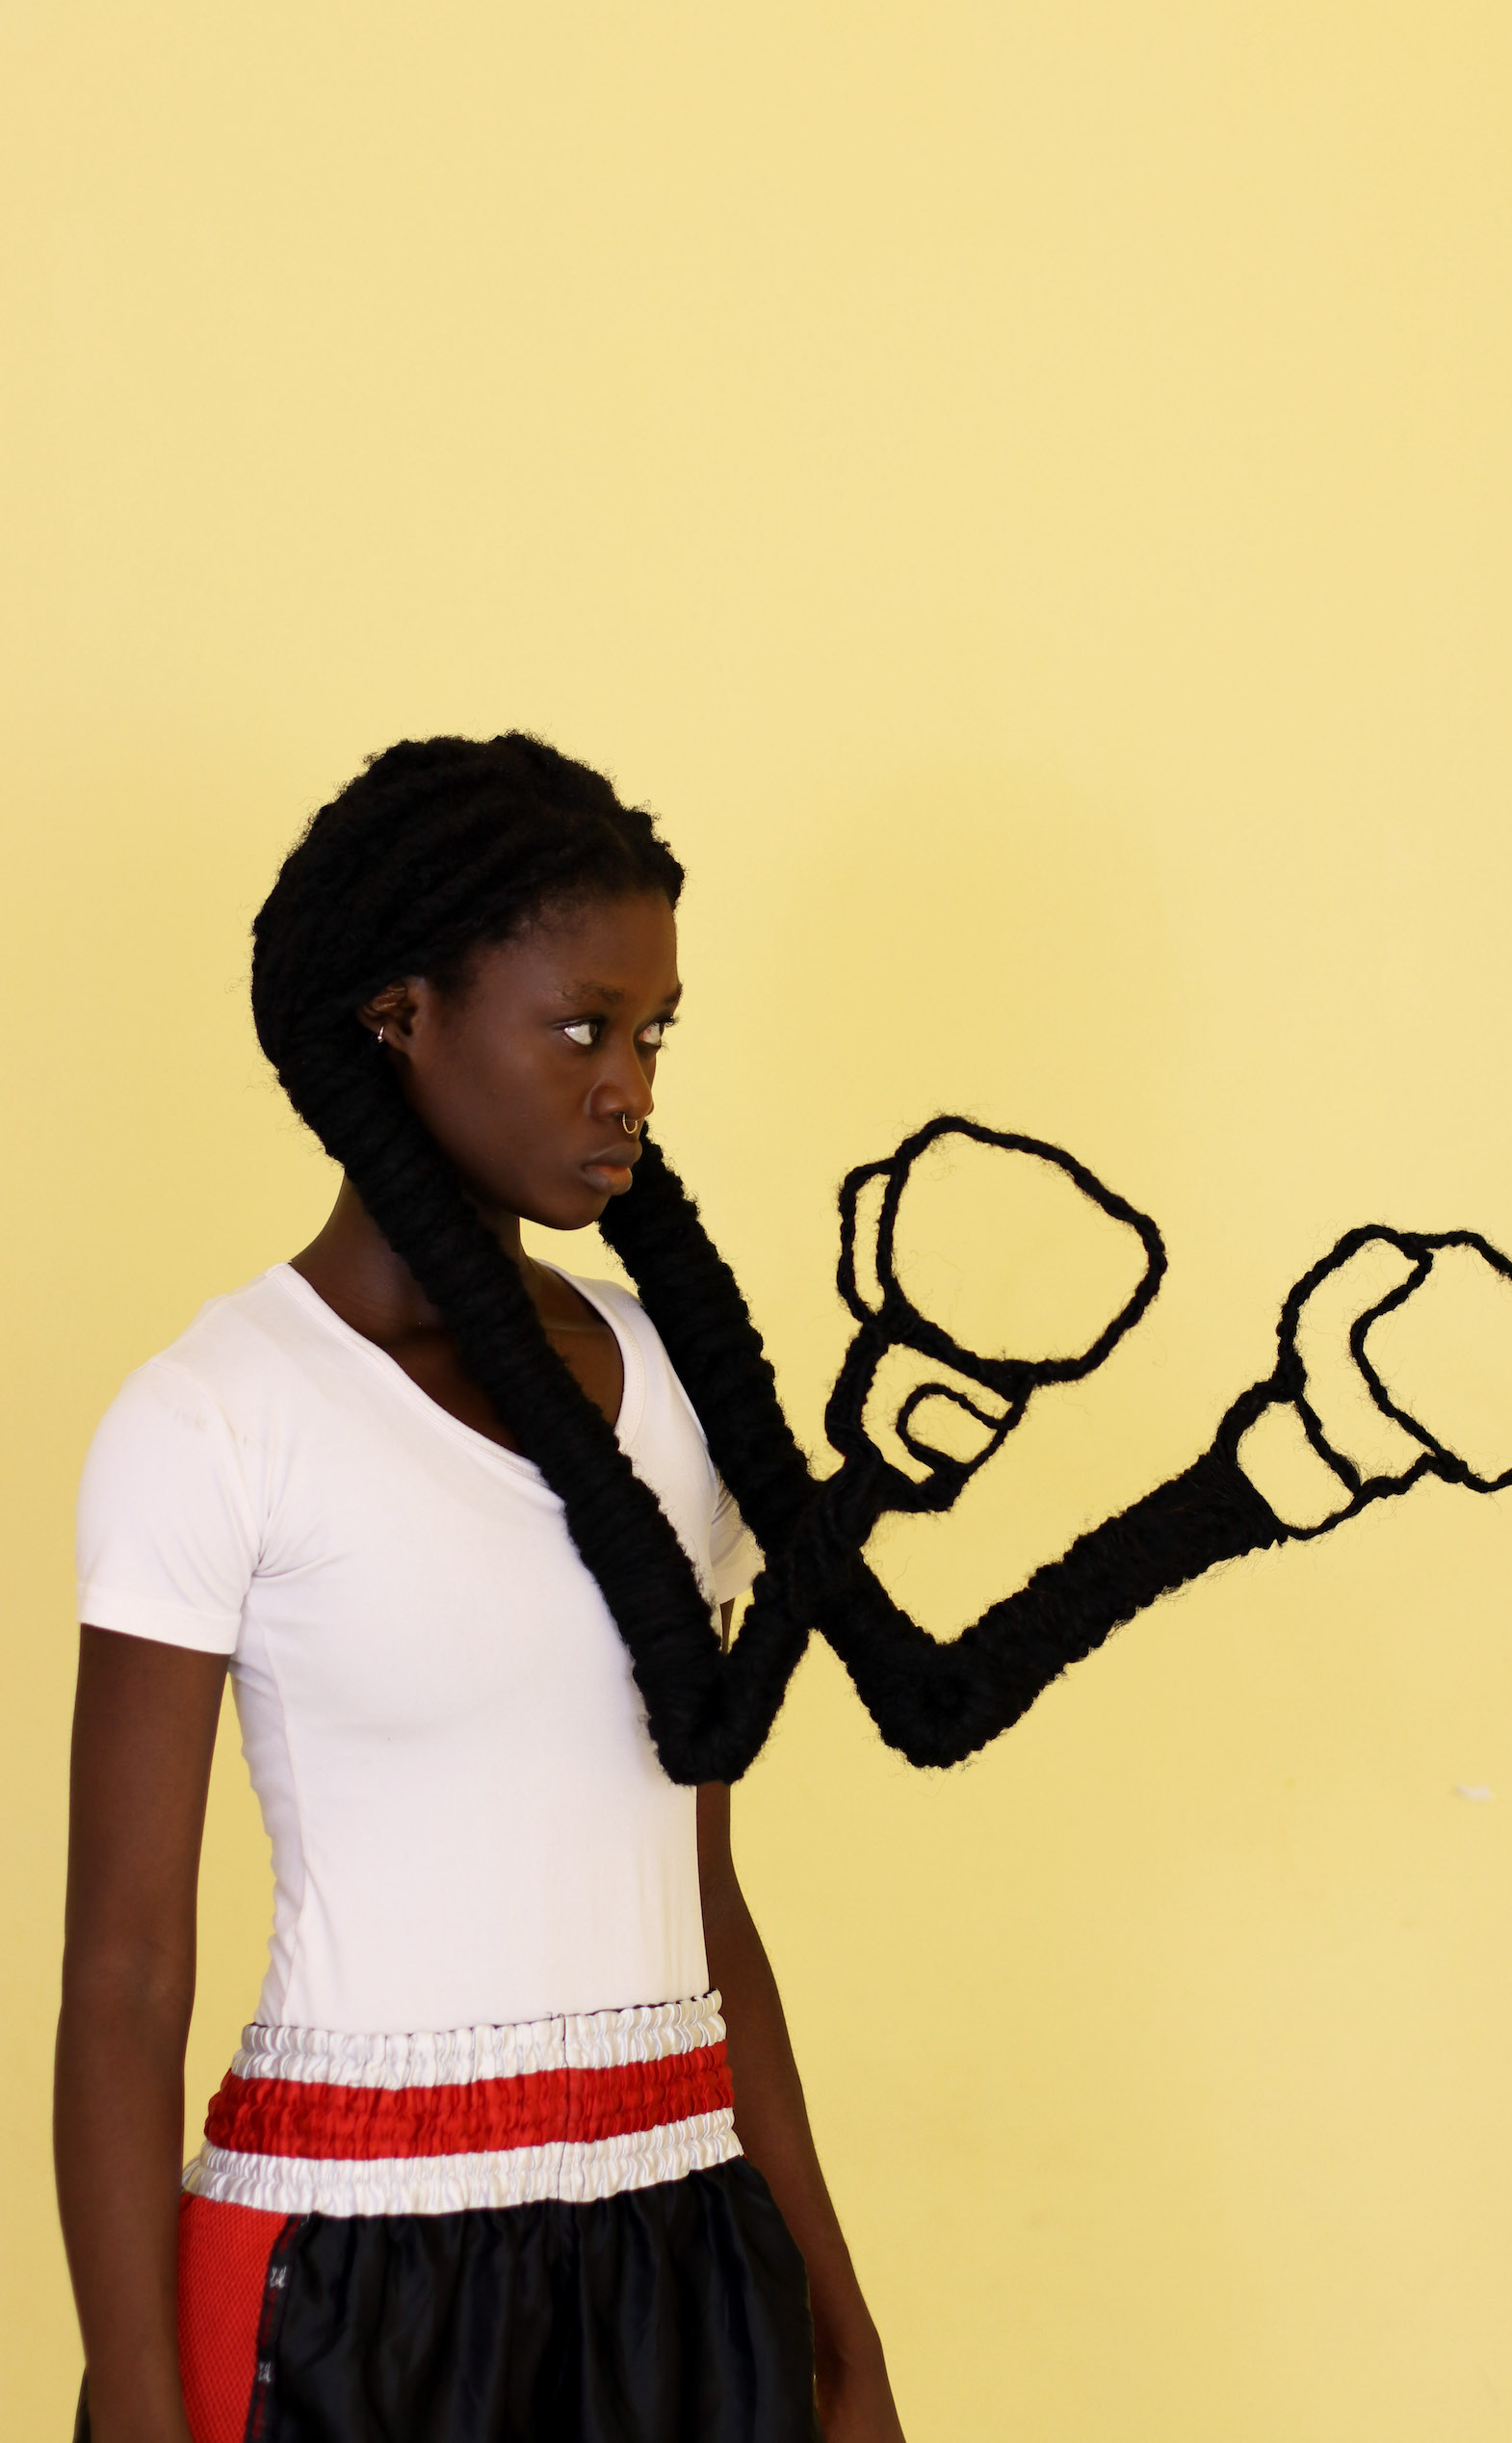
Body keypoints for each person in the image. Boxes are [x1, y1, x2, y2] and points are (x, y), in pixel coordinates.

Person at [57, 734, 904, 2443]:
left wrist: (840, 2330)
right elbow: (127, 1975)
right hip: (350, 2280)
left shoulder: (673, 1393)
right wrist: (139, 2400)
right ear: (400, 1019)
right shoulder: (220, 1416)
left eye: (654, 1035)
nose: (630, 1088)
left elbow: (703, 1895)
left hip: (682, 2251)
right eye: (582, 1028)